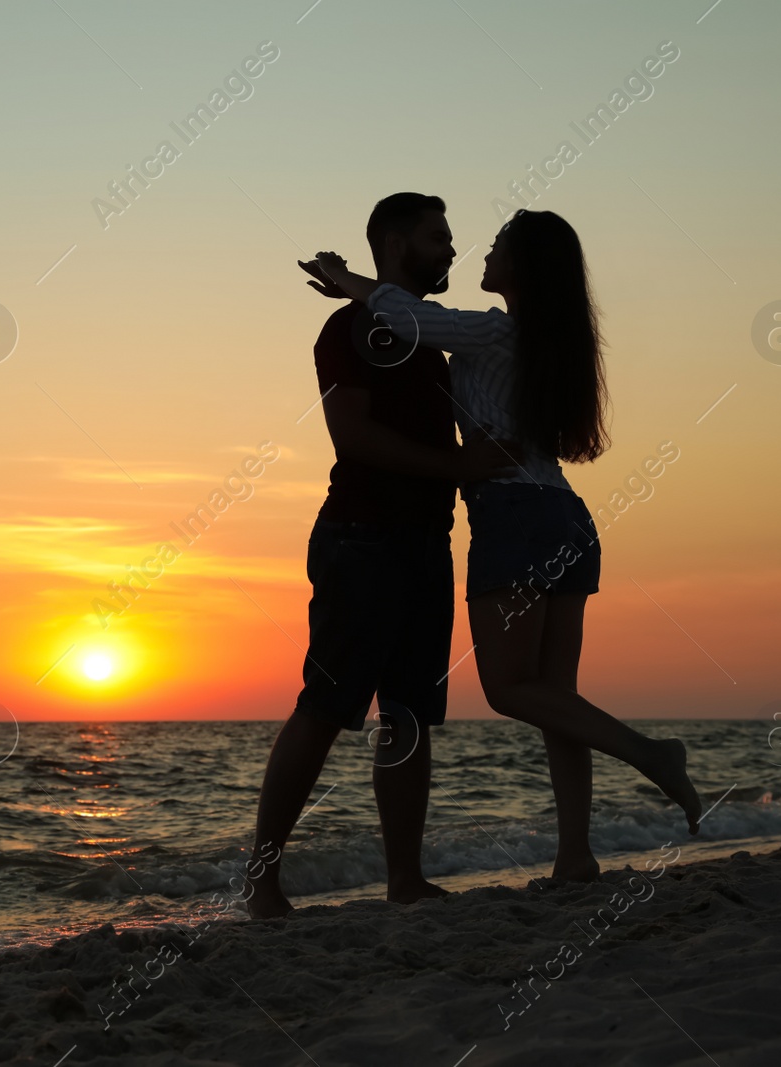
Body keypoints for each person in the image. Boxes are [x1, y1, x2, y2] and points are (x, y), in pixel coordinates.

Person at [299, 208, 702, 884]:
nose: (476, 254)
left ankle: (653, 755)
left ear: (522, 267)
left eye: (495, 248)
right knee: (555, 697)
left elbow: (413, 321)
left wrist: (349, 280)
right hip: (565, 517)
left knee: (511, 689)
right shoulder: (553, 344)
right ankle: (575, 854)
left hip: (514, 515)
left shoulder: (493, 332)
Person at [245, 193, 518, 920]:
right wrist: (462, 469)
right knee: (328, 705)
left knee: (409, 714)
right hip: (362, 538)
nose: (453, 250)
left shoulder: (434, 338)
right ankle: (260, 880)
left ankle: (405, 877)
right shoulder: (351, 328)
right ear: (396, 244)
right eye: (439, 238)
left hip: (429, 540)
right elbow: (355, 439)